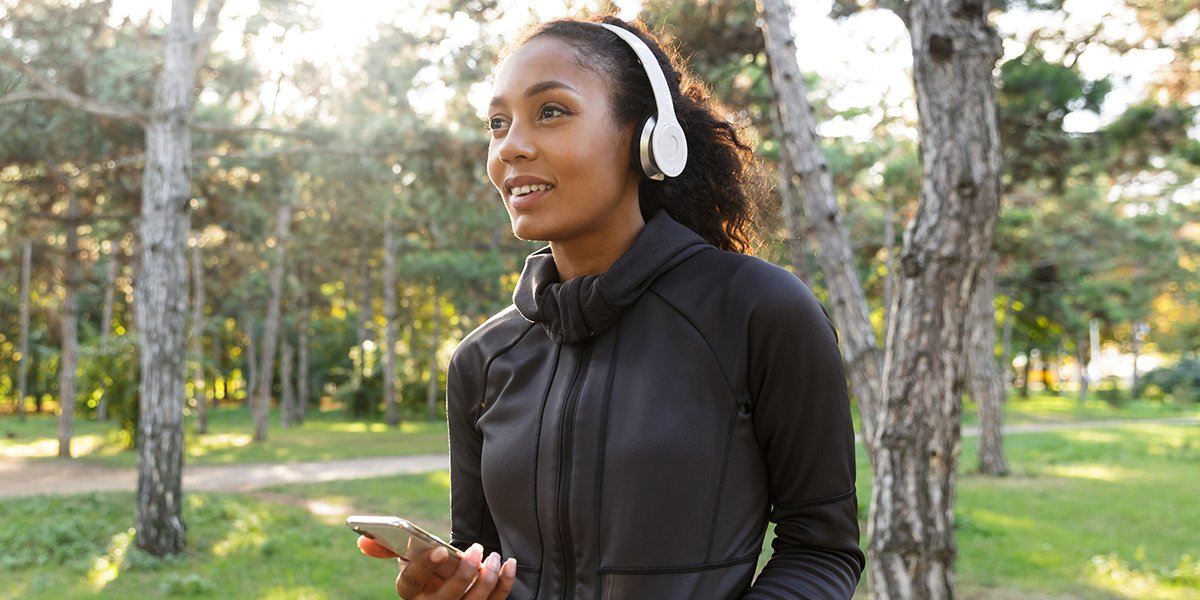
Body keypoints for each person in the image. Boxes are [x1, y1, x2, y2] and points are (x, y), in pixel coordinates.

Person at [356, 14, 865, 599]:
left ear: (648, 138)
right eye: (498, 124)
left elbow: (821, 551)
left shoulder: (759, 310)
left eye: (551, 111)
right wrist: (452, 588)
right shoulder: (482, 359)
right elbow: (485, 561)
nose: (511, 147)